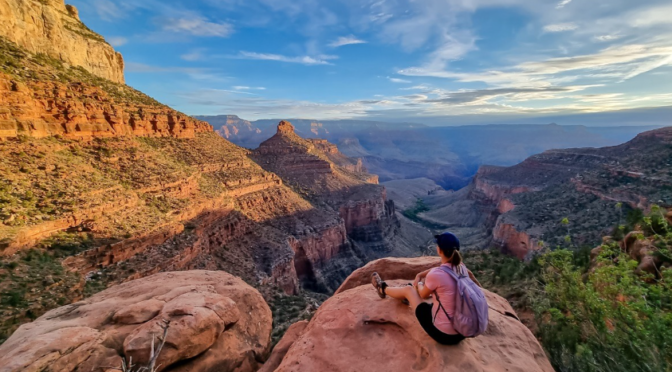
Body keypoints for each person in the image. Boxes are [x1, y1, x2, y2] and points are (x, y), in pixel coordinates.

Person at [371, 232, 482, 345]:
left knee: (409, 290)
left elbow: (423, 294)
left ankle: (382, 289)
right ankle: (405, 297)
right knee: (435, 300)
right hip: (462, 333)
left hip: (443, 335)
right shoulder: (461, 267)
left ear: (439, 250)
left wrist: (419, 283)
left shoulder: (437, 275)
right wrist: (421, 274)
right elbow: (442, 270)